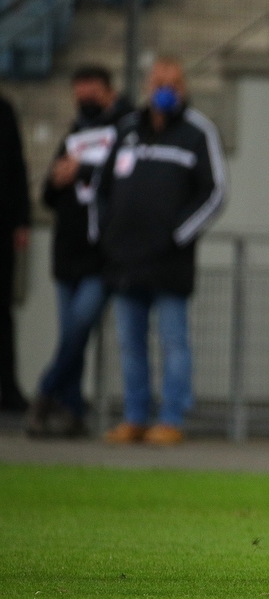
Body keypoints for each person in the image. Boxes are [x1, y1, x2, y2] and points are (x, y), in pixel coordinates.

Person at [93, 57, 226, 445]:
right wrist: (108, 236)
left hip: (169, 263)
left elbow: (215, 192)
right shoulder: (127, 129)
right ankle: (134, 417)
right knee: (130, 344)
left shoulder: (197, 132)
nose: (164, 90)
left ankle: (170, 419)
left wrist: (177, 235)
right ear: (148, 86)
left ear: (183, 88)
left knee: (173, 342)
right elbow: (100, 190)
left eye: (172, 83)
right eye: (158, 83)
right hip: (125, 261)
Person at [26, 65, 134, 438]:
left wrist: (83, 171)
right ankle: (71, 410)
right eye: (78, 92)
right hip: (67, 253)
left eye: (89, 91)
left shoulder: (127, 127)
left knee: (77, 329)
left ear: (107, 90)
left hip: (100, 255)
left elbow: (124, 178)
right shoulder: (75, 130)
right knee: (71, 336)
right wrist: (59, 179)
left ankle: (44, 392)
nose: (82, 99)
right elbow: (49, 195)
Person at [0, 93, 31, 413]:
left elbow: (17, 165)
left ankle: (8, 388)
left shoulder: (5, 110)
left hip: (2, 229)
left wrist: (22, 220)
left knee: (3, 314)